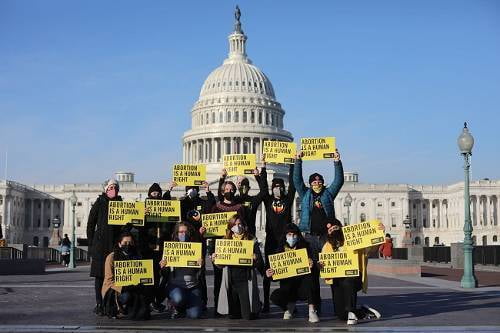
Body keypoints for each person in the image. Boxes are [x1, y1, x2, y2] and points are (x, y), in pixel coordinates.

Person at [293, 149, 344, 312]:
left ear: (322, 182)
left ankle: (339, 306)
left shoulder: (329, 194)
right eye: (314, 182)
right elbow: (297, 181)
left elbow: (339, 181)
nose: (317, 184)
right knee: (312, 273)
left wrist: (336, 162)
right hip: (309, 236)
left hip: (326, 238)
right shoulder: (305, 193)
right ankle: (315, 306)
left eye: (319, 181)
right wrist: (298, 162)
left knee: (333, 270)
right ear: (310, 184)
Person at [319, 218, 382, 325]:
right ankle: (363, 311)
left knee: (348, 282)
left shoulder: (353, 241)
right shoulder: (327, 246)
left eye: (335, 228)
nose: (333, 231)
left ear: (341, 228)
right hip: (337, 281)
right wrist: (320, 266)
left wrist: (380, 233)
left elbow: (371, 250)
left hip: (354, 277)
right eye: (330, 230)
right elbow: (323, 263)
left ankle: (352, 312)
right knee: (341, 315)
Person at [259, 159, 296, 312]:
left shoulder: (288, 200)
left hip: (285, 241)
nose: (277, 189)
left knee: (285, 272)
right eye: (275, 187)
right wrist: (263, 167)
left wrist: (293, 165)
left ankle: (286, 302)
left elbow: (293, 185)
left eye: (280, 187)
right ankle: (266, 303)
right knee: (268, 272)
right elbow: (262, 188)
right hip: (271, 239)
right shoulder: (268, 201)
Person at [213, 214, 264, 320]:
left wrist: (256, 258)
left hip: (245, 280)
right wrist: (215, 260)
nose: (238, 226)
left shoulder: (251, 240)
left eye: (240, 224)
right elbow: (220, 266)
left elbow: (259, 263)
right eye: (235, 224)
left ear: (244, 225)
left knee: (247, 316)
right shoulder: (225, 241)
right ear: (230, 226)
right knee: (233, 315)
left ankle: (256, 306)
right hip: (231, 281)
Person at [265, 223, 319, 323]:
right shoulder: (279, 251)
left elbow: (315, 266)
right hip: (288, 288)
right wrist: (269, 274)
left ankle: (312, 310)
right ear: (285, 236)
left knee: (310, 279)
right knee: (275, 297)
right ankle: (288, 308)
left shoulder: (306, 248)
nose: (292, 237)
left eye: (294, 235)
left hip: (302, 287)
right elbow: (276, 275)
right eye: (289, 235)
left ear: (298, 236)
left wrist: (312, 264)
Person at [87, 179, 123, 316]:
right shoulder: (99, 203)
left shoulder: (121, 203)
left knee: (114, 275)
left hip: (114, 244)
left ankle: (111, 302)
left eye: (115, 187)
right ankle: (99, 303)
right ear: (106, 189)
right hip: (100, 245)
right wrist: (92, 242)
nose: (112, 189)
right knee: (99, 276)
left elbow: (125, 224)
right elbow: (91, 223)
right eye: (110, 187)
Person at [101, 231, 151, 320]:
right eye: (125, 243)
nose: (128, 245)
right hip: (115, 290)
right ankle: (115, 308)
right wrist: (124, 287)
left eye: (130, 243)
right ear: (119, 244)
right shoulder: (111, 257)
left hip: (134, 287)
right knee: (127, 295)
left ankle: (133, 310)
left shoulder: (138, 256)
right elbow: (109, 281)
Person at [160, 222, 204, 319]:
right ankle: (173, 304)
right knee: (178, 298)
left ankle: (184, 307)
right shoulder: (170, 249)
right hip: (175, 285)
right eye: (181, 232)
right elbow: (164, 273)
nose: (183, 234)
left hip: (192, 286)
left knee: (195, 315)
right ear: (176, 234)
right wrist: (163, 266)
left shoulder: (195, 248)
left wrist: (201, 264)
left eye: (185, 232)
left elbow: (199, 272)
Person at [217, 168, 264, 236]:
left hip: (249, 234)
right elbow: (222, 197)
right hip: (235, 235)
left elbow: (263, 192)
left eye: (244, 184)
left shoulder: (253, 200)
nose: (242, 186)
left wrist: (257, 177)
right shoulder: (234, 200)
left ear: (249, 187)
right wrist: (222, 178)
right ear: (237, 186)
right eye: (239, 183)